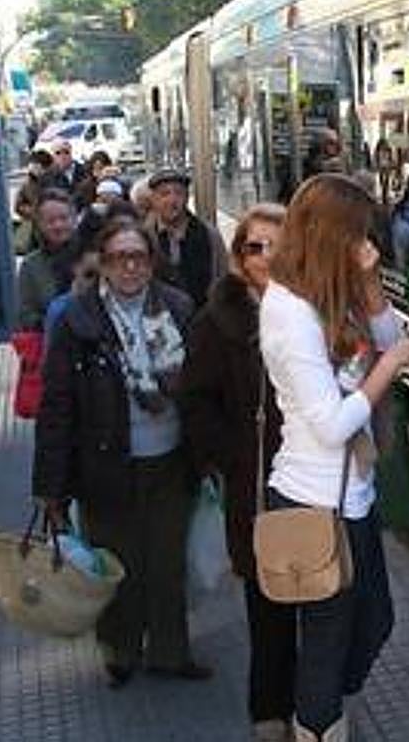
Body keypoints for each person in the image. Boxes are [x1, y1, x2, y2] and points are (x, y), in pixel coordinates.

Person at [257, 174, 409, 742]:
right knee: (329, 640)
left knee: (376, 621)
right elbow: (330, 425)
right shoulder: (288, 312)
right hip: (313, 498)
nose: (367, 246)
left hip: (353, 492)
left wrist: (372, 283)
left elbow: (387, 334)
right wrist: (386, 368)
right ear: (331, 236)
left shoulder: (330, 288)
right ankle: (319, 726)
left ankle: (324, 713)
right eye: (359, 237)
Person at [32, 217, 209, 689]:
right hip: (106, 464)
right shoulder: (77, 318)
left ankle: (171, 652)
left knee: (167, 563)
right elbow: (56, 405)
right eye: (118, 258)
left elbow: (199, 389)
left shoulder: (178, 307)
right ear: (102, 264)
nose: (130, 267)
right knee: (116, 563)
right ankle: (121, 652)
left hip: (171, 459)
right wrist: (50, 487)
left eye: (139, 257)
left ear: (151, 262)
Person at [179, 204, 296, 742]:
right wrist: (233, 455)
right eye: (255, 247)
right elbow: (195, 402)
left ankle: (314, 705)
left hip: (311, 479)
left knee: (319, 598)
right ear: (239, 255)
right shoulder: (217, 321)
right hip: (255, 485)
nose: (266, 257)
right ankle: (269, 710)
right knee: (268, 604)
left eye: (277, 244)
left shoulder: (309, 307)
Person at [148, 167, 228, 310]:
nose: (172, 200)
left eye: (178, 193)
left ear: (186, 197)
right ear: (154, 199)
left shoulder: (208, 234)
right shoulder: (145, 235)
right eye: (164, 194)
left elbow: (221, 276)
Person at [15, 190, 81, 331]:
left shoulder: (93, 257)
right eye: (50, 221)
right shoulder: (30, 265)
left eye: (64, 218)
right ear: (39, 224)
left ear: (75, 219)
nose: (58, 225)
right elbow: (25, 314)